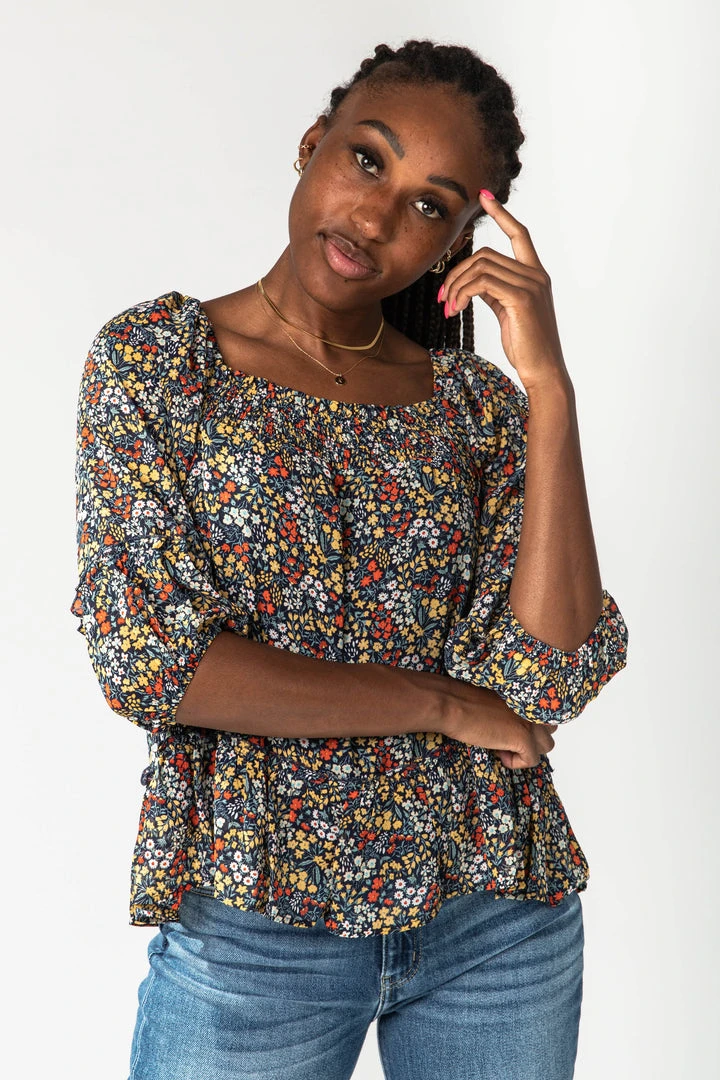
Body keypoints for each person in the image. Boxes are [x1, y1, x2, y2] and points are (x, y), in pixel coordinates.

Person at [72, 39, 628, 1080]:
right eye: (367, 159)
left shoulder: (475, 408)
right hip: (256, 927)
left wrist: (548, 388)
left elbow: (549, 676)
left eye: (429, 206)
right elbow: (157, 663)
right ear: (312, 142)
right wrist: (441, 703)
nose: (374, 218)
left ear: (460, 242)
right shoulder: (161, 365)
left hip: (495, 914)